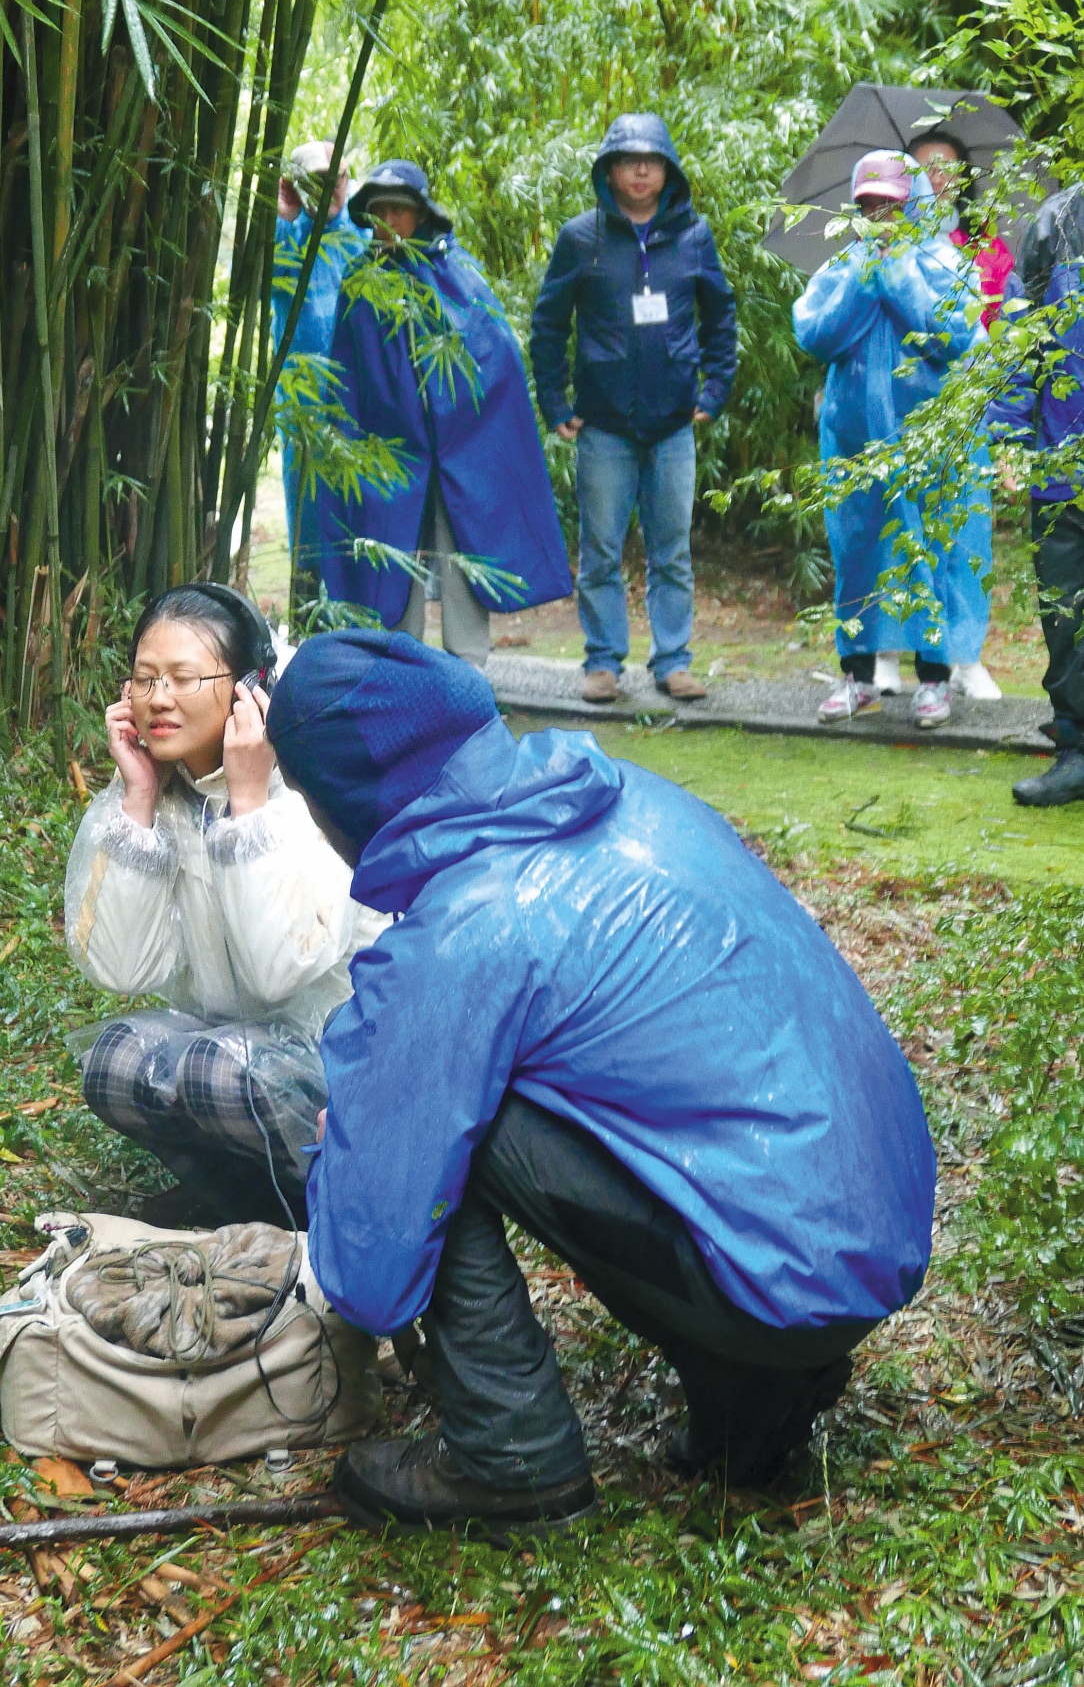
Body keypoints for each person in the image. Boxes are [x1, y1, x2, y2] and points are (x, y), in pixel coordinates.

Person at [264, 631, 935, 1533]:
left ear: (342, 800)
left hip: (781, 1266)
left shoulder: (468, 925)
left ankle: (512, 1457)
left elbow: (372, 1271)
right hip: (863, 1236)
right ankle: (753, 1381)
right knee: (495, 1090)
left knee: (421, 1129)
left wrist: (351, 1149)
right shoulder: (628, 794)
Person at [62, 582, 383, 1227]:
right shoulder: (164, 785)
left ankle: (328, 1198)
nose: (158, 699)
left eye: (183, 679)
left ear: (247, 688)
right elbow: (123, 969)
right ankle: (233, 1199)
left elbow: (277, 971)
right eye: (145, 679)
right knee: (115, 1062)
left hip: (344, 1058)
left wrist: (248, 803)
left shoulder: (307, 782)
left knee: (216, 1071)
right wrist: (139, 800)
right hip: (234, 1043)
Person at [310, 160, 573, 667]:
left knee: (462, 547)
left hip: (460, 445)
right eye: (380, 211)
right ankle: (397, 660)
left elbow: (495, 354)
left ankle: (467, 665)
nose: (389, 221)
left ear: (421, 214)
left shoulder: (456, 271)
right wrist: (349, 439)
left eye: (399, 210)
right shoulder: (360, 279)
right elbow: (345, 371)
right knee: (391, 550)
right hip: (389, 446)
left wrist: (465, 422)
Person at [529, 113, 738, 704]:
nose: (641, 170)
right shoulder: (581, 237)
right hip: (604, 425)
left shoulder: (693, 236)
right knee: (600, 550)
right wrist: (555, 401)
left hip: (673, 424)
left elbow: (721, 315)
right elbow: (548, 325)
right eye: (629, 160)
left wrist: (714, 390)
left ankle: (673, 661)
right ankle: (602, 662)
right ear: (609, 170)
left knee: (672, 551)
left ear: (668, 171)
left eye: (652, 161)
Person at [794, 151, 985, 730]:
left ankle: (934, 679)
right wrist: (863, 282)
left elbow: (953, 335)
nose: (880, 216)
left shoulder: (945, 263)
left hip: (929, 436)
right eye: (869, 205)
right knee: (856, 549)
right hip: (853, 439)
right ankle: (857, 677)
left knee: (932, 548)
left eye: (892, 205)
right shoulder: (842, 266)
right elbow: (814, 334)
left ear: (916, 204)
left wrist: (899, 276)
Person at [868, 129, 1012, 703]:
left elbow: (1002, 333)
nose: (937, 177)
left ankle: (964, 656)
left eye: (949, 167)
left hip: (964, 407)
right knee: (894, 524)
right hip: (893, 407)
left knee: (964, 534)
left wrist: (1001, 419)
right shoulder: (877, 240)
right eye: (925, 166)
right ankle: (885, 652)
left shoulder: (988, 252)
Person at [987, 184, 1084, 807]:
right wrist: (1009, 440)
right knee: (1065, 612)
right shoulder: (1057, 223)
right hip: (1060, 461)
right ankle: (1077, 750)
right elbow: (1019, 340)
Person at [272, 141, 366, 591]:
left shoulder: (365, 229)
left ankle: (361, 610)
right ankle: (309, 608)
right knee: (308, 512)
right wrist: (283, 213)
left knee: (360, 508)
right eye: (316, 181)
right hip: (304, 403)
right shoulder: (285, 234)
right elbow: (251, 279)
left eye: (338, 178)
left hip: (361, 400)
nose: (331, 189)